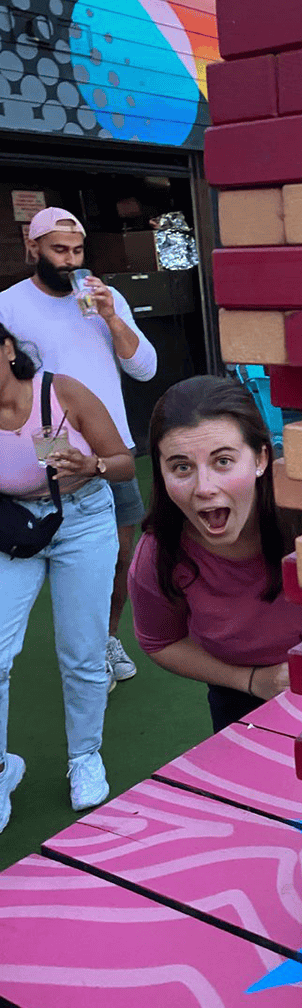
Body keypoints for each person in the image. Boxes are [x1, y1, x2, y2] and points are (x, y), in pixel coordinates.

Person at [0, 208, 158, 693]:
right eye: (58, 250)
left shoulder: (104, 300)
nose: (70, 262)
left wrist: (112, 317)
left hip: (111, 453)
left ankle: (104, 642)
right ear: (34, 248)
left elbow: (146, 370)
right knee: (41, 552)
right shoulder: (8, 305)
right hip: (43, 450)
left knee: (117, 558)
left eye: (77, 251)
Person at [128, 376, 302, 732]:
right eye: (181, 467)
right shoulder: (158, 555)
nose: (204, 488)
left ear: (260, 458)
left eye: (223, 461)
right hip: (245, 696)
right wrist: (251, 680)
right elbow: (160, 641)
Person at [0, 324, 135, 835]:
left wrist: (94, 463)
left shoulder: (62, 391)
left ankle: (85, 755)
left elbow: (125, 462)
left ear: (7, 349)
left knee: (80, 650)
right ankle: (0, 771)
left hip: (82, 520)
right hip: (16, 529)